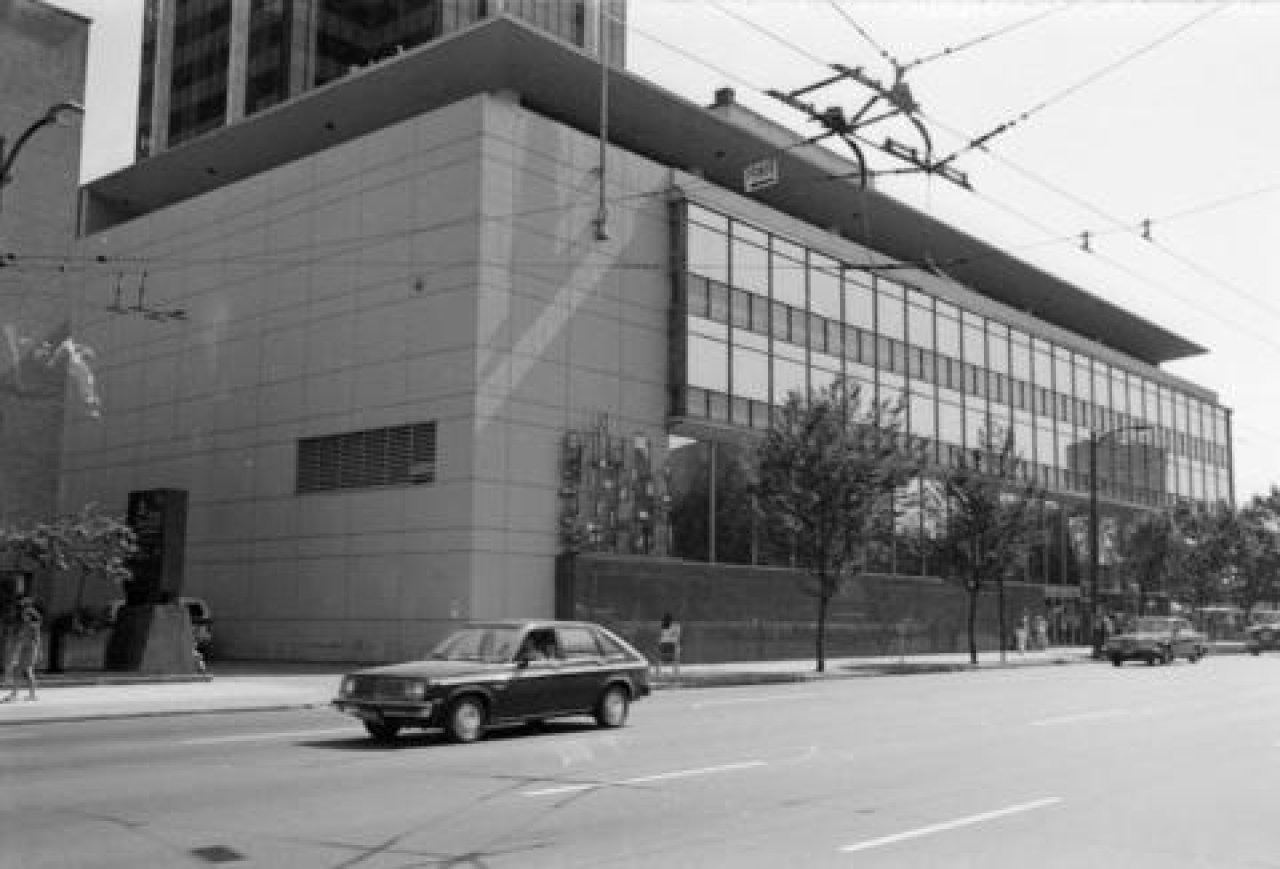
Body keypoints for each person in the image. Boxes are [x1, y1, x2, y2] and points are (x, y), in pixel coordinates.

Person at [3, 596, 42, 702]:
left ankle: (16, 694)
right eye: (23, 615)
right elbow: (21, 639)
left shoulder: (33, 626)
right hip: (25, 650)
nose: (23, 617)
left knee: (22, 671)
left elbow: (36, 640)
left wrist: (38, 653)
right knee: (27, 672)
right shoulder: (25, 625)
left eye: (25, 615)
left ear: (30, 616)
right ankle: (30, 695)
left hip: (30, 651)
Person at [655, 612, 681, 678]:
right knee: (675, 660)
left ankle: (658, 673)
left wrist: (659, 644)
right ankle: (675, 674)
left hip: (663, 643)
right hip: (672, 643)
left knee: (660, 660)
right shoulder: (676, 625)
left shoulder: (662, 625)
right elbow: (678, 637)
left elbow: (660, 636)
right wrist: (678, 647)